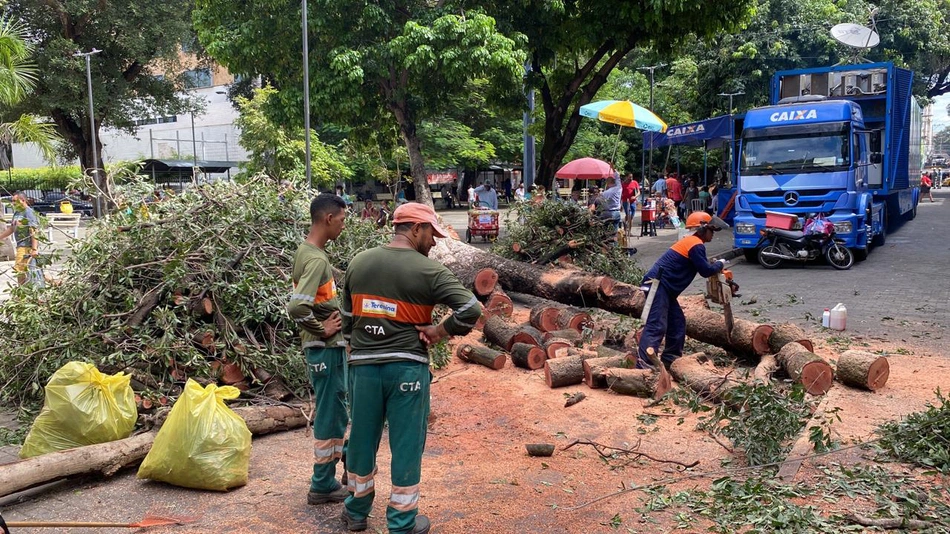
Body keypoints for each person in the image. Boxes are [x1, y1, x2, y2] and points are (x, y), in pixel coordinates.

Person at [340, 202, 482, 534]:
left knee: (361, 438)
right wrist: (439, 331)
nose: (434, 242)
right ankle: (402, 523)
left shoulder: (359, 263)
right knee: (406, 443)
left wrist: (360, 343)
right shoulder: (429, 271)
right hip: (407, 370)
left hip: (363, 368)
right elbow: (471, 308)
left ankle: (356, 511)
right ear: (416, 228)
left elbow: (347, 320)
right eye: (431, 233)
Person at [287, 193, 349, 506]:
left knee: (336, 409)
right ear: (327, 219)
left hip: (326, 348)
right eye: (341, 220)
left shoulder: (309, 252)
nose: (343, 226)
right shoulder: (314, 258)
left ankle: (342, 465)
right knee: (330, 412)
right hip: (324, 349)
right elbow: (297, 307)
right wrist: (322, 329)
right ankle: (322, 482)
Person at [636, 212, 730, 369]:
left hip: (664, 288)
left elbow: (702, 265)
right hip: (658, 285)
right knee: (656, 325)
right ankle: (644, 367)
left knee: (677, 323)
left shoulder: (692, 243)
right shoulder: (695, 244)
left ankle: (671, 360)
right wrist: (720, 264)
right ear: (702, 229)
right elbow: (705, 270)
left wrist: (714, 264)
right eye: (711, 230)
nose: (713, 234)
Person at [0, 193, 42, 286]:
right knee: (34, 269)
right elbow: (12, 228)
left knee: (20, 270)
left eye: (15, 201)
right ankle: (56, 283)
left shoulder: (28, 212)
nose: (13, 203)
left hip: (26, 246)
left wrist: (34, 249)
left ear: (23, 200)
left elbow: (34, 230)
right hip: (20, 246)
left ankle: (20, 294)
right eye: (12, 201)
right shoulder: (17, 212)